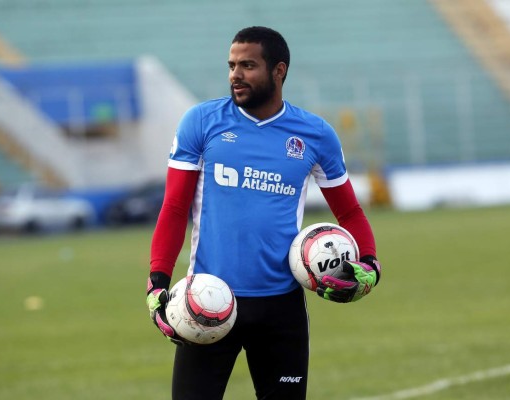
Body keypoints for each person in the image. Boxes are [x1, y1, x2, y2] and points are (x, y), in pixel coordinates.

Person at [146, 26, 382, 400]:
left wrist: (369, 263)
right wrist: (158, 281)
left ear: (279, 70)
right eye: (231, 65)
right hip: (206, 301)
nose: (235, 75)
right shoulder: (201, 123)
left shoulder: (315, 134)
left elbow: (349, 210)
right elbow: (174, 208)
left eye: (248, 65)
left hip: (281, 308)